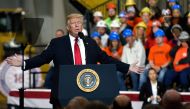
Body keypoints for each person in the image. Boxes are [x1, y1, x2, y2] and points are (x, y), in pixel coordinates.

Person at [6, 13, 143, 109]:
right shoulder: (57, 43)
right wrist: (24, 63)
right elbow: (43, 58)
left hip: (89, 92)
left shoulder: (90, 42)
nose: (77, 26)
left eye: (80, 23)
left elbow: (106, 59)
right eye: (74, 23)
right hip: (63, 94)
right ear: (68, 27)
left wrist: (127, 67)